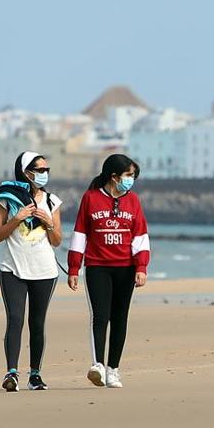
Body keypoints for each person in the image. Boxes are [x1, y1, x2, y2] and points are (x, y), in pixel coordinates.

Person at [67, 153, 150, 389]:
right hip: (97, 267)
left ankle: (114, 369)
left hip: (126, 268)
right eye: (128, 175)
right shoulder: (90, 198)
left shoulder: (133, 201)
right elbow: (80, 233)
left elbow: (140, 236)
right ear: (113, 177)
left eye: (133, 176)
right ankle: (98, 366)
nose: (131, 180)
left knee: (120, 318)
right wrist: (74, 267)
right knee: (100, 316)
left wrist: (141, 266)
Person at [0, 151, 62, 392]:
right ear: (26, 172)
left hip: (45, 271)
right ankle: (11, 373)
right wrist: (18, 218)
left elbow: (57, 240)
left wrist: (48, 222)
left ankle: (35, 374)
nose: (44, 174)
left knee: (37, 322)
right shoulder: (6, 198)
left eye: (46, 170)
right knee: (15, 319)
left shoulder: (52, 201)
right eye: (40, 170)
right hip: (13, 269)